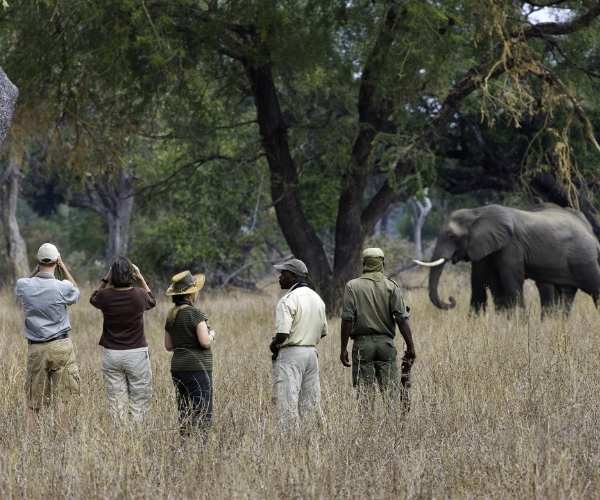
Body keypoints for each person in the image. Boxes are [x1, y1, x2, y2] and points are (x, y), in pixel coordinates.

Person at [340, 247, 416, 412]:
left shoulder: (352, 286)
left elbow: (347, 319)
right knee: (391, 393)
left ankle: (367, 430)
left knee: (364, 393)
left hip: (362, 345)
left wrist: (343, 348)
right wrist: (410, 346)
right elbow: (402, 319)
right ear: (383, 263)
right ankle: (393, 427)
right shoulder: (391, 286)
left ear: (364, 264)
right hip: (386, 345)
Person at [15, 243, 81, 414]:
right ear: (56, 261)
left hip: (36, 347)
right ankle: (62, 439)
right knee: (65, 400)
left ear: (38, 262)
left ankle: (33, 440)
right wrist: (63, 267)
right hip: (61, 346)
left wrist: (36, 271)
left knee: (34, 403)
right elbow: (76, 292)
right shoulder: (63, 287)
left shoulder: (24, 285)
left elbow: (24, 285)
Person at [90, 257, 156, 422]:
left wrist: (106, 279)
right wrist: (140, 278)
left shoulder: (105, 296)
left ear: (112, 275)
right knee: (139, 399)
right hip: (136, 353)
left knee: (116, 400)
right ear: (131, 275)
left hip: (111, 354)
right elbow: (152, 301)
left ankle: (119, 438)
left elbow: (93, 298)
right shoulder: (139, 295)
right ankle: (135, 437)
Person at [270, 258, 328, 428]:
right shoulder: (317, 298)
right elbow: (323, 331)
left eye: (283, 274)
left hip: (291, 354)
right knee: (310, 403)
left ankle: (289, 443)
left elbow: (282, 333)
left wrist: (274, 344)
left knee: (287, 401)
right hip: (311, 354)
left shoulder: (288, 300)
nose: (279, 278)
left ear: (293, 276)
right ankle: (310, 440)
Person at [164, 271, 216, 436]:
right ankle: (200, 448)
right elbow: (204, 342)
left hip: (178, 368)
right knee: (202, 411)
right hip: (198, 368)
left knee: (184, 409)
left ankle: (185, 444)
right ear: (191, 293)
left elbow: (168, 345)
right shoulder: (195, 314)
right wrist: (212, 334)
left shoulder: (171, 315)